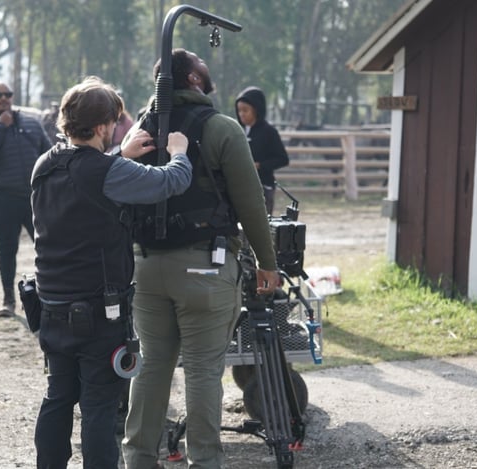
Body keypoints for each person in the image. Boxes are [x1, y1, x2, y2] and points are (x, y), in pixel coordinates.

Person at [122, 49, 281, 469]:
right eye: (199, 62)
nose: (205, 66)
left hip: (146, 269)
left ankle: (137, 459)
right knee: (203, 371)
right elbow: (251, 204)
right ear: (193, 79)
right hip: (204, 269)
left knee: (152, 367)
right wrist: (268, 263)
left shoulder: (140, 128)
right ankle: (205, 462)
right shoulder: (222, 129)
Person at [31, 75, 193, 469]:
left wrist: (120, 155)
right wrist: (180, 150)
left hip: (50, 306)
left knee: (58, 398)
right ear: (103, 126)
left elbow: (87, 178)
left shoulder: (45, 165)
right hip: (97, 313)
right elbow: (174, 180)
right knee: (99, 406)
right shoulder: (107, 173)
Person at [0, 80, 52, 319]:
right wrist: (0, 127)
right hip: (2, 198)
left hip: (32, 198)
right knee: (7, 248)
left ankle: (48, 296)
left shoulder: (32, 123)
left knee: (46, 247)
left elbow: (47, 154)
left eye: (7, 94)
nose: (4, 98)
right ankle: (9, 300)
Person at [235, 86, 290, 215]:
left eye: (245, 110)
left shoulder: (269, 132)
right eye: (239, 110)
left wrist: (259, 165)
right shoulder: (238, 131)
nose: (241, 114)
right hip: (241, 187)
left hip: (263, 187)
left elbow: (283, 159)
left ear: (256, 109)